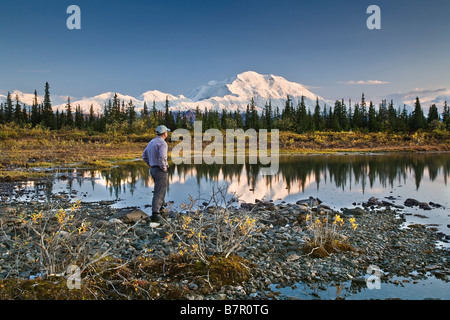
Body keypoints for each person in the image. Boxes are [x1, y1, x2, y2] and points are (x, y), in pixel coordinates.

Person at [142, 125, 171, 223]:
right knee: (160, 191)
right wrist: (164, 167)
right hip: (159, 170)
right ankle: (156, 213)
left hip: (153, 169)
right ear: (164, 133)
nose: (167, 133)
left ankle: (161, 208)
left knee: (158, 189)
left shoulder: (151, 142)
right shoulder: (162, 143)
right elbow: (162, 157)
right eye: (167, 131)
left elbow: (144, 155)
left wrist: (149, 163)